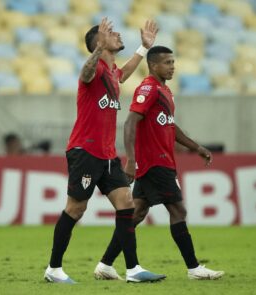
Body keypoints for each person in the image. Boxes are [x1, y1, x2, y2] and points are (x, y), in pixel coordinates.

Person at [44, 18, 166, 284]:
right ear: (99, 43)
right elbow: (85, 74)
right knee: (76, 209)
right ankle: (53, 269)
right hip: (85, 151)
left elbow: (125, 72)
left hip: (108, 154)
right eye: (111, 33)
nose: (118, 34)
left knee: (126, 204)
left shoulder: (111, 73)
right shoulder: (96, 69)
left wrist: (144, 48)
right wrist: (98, 49)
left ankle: (132, 269)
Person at [94, 46, 225, 280]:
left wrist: (196, 147)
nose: (172, 66)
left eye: (173, 62)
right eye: (167, 62)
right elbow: (130, 122)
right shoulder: (148, 88)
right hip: (155, 162)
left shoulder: (164, 90)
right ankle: (194, 268)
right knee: (178, 210)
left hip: (161, 161)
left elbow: (171, 127)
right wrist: (131, 160)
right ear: (153, 65)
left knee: (135, 214)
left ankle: (105, 264)